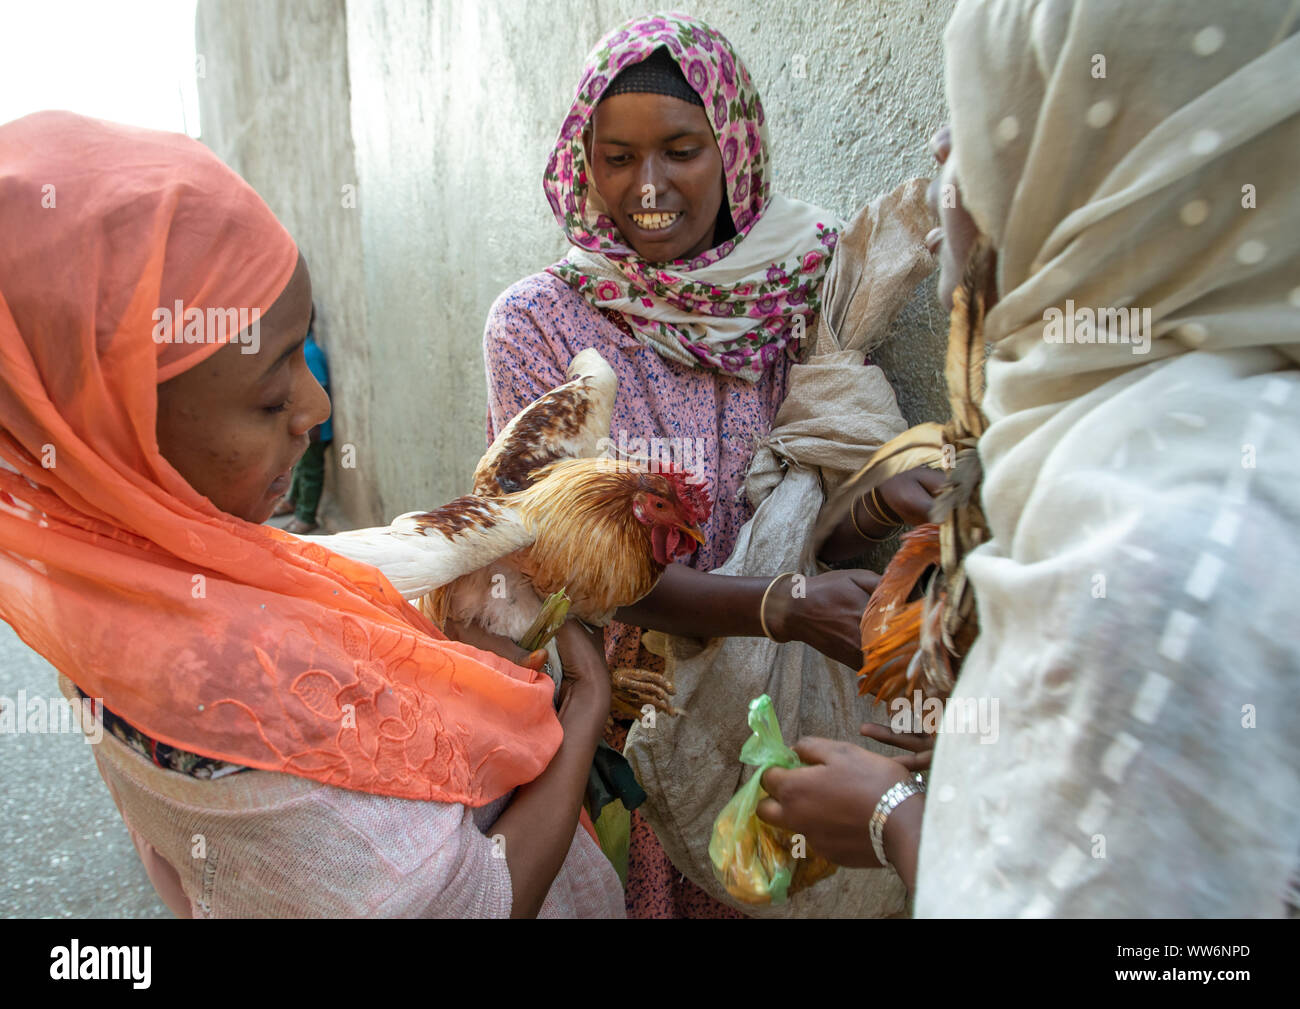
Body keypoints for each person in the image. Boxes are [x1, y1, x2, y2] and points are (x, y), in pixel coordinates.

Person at [0, 110, 623, 918]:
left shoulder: (113, 586)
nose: (317, 404)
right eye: (269, 397)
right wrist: (585, 713)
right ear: (108, 430)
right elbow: (477, 901)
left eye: (305, 351)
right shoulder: (227, 707)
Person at [758, 0, 1300, 916]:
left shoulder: (1155, 550)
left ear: (1108, 172)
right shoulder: (1190, 428)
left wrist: (897, 819)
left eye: (978, 123)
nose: (940, 150)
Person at [484, 12, 937, 917]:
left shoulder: (796, 291)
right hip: (628, 716)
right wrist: (780, 606)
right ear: (584, 162)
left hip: (783, 704)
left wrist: (877, 508)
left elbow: (802, 514)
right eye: (616, 158)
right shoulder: (537, 325)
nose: (647, 186)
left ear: (734, 149)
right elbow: (578, 567)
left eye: (682, 149)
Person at [274, 305, 333, 534]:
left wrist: (314, 427)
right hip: (304, 428)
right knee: (299, 466)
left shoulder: (310, 354)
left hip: (314, 430)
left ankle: (307, 516)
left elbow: (319, 392)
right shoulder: (299, 353)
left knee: (311, 471)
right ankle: (293, 501)